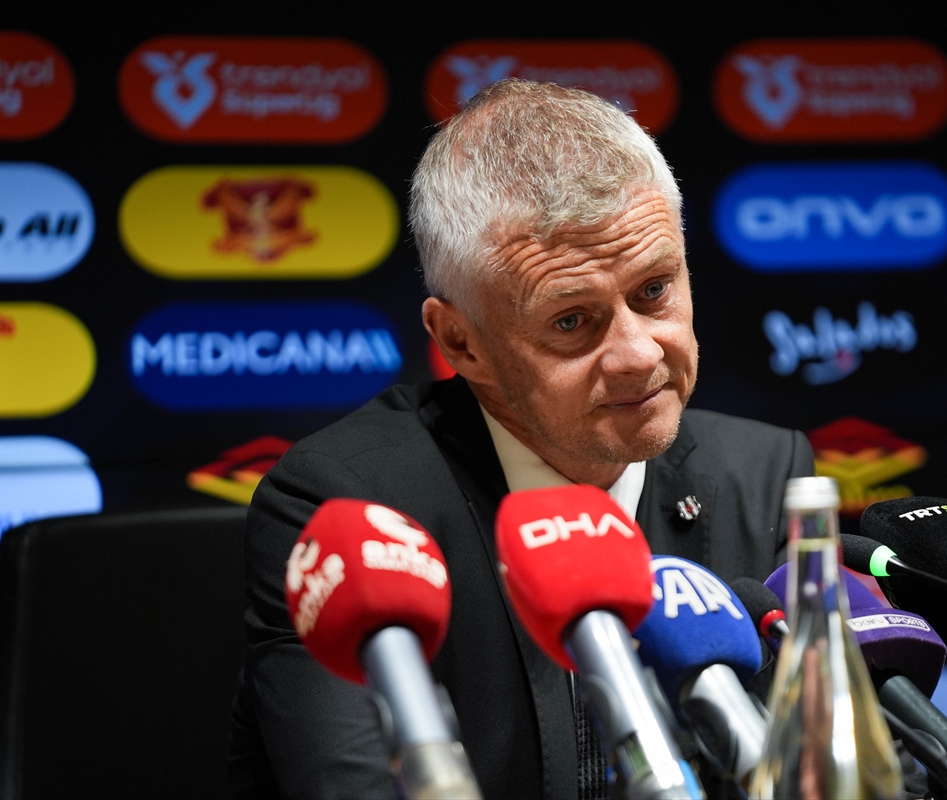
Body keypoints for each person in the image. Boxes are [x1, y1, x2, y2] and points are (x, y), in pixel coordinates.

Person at [229, 80, 814, 800]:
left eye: (654, 290)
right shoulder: (347, 507)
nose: (638, 354)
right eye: (571, 321)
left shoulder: (765, 474)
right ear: (460, 342)